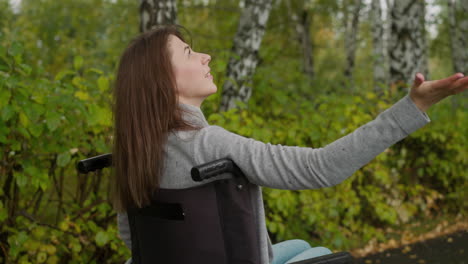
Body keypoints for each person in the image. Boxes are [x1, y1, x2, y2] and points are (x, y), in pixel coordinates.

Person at [111, 25, 467, 264]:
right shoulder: (208, 144)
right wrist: (414, 106)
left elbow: (132, 240)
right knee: (323, 253)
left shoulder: (133, 150)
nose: (205, 56)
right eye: (189, 53)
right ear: (162, 80)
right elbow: (322, 167)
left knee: (301, 247)